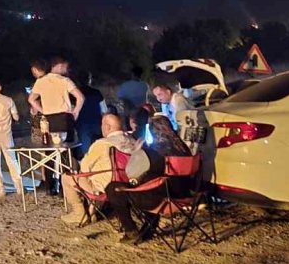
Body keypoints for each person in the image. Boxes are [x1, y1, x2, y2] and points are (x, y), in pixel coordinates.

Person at [104, 115, 191, 243]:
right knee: (152, 184)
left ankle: (130, 230)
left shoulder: (154, 152)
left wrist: (137, 152)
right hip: (185, 195)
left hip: (161, 199)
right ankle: (148, 230)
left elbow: (131, 174)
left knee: (113, 188)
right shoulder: (183, 149)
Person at [61, 113, 142, 224]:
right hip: (128, 184)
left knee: (66, 177)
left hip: (104, 187)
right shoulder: (132, 141)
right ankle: (91, 212)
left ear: (107, 127)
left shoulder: (102, 144)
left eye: (102, 125)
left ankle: (79, 214)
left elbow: (84, 167)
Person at [28, 57, 85, 195]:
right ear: (58, 66)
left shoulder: (40, 82)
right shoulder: (64, 81)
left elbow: (31, 99)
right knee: (66, 152)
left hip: (49, 120)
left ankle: (51, 187)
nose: (66, 70)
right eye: (65, 67)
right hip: (65, 119)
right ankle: (67, 187)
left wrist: (43, 110)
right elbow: (80, 97)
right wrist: (75, 112)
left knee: (49, 153)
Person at [73, 71, 107, 159]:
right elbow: (104, 110)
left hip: (82, 125)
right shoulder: (97, 93)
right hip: (97, 124)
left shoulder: (74, 94)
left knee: (85, 151)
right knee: (99, 148)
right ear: (89, 80)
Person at [28, 59, 49, 146]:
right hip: (57, 118)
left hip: (41, 120)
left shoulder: (38, 83)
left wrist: (34, 111)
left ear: (35, 70)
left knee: (43, 147)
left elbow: (33, 100)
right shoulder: (54, 80)